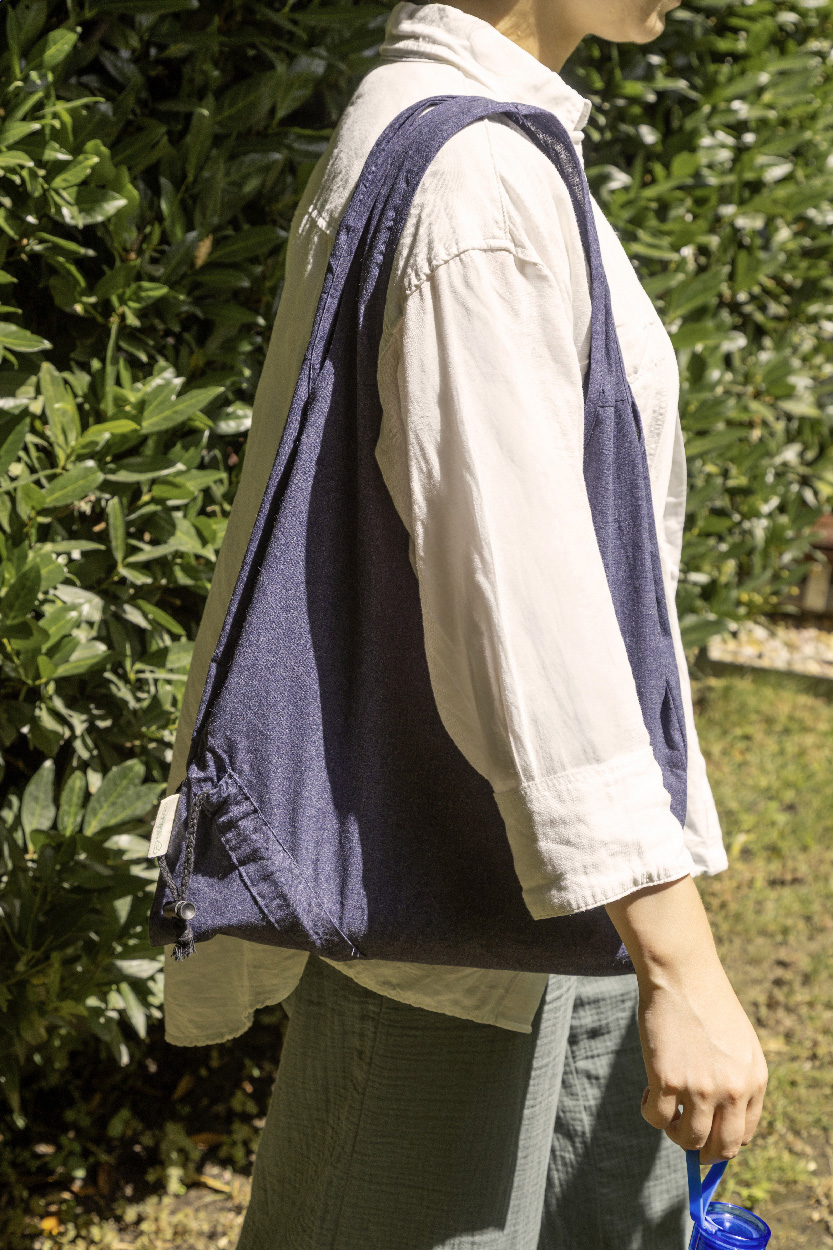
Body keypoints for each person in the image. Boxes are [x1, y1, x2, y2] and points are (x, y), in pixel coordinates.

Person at [160, 2, 768, 1246]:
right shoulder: (471, 177)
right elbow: (518, 596)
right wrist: (678, 959)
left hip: (551, 891)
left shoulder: (494, 141)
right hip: (452, 899)